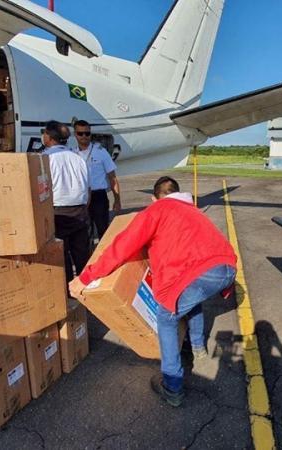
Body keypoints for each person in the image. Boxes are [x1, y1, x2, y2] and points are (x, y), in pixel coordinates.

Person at [70, 176, 237, 407]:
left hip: (203, 271)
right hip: (226, 267)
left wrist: (86, 278)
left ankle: (172, 386)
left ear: (153, 198)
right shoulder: (192, 210)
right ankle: (197, 347)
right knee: (191, 298)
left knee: (166, 317)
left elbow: (123, 245)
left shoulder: (158, 210)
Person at [42, 120, 91, 282]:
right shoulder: (78, 158)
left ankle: (68, 290)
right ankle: (85, 287)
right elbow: (88, 188)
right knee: (82, 255)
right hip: (80, 211)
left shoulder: (46, 159)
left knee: (62, 256)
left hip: (59, 212)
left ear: (49, 137)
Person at [72, 120, 120, 238]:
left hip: (99, 197)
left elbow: (112, 177)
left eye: (87, 133)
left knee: (103, 231)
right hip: (81, 197)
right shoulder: (72, 154)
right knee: (84, 233)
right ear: (75, 134)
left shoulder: (101, 152)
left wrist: (117, 200)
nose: (84, 136)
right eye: (80, 133)